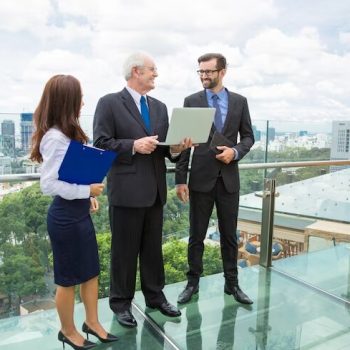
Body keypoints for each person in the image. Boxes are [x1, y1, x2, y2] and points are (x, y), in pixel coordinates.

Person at [93, 52, 192, 327]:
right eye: (152, 70)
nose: (155, 75)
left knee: (152, 250)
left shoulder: (160, 107)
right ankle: (121, 303)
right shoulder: (109, 103)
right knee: (123, 252)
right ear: (136, 71)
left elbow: (168, 151)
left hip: (156, 192)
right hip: (126, 192)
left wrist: (178, 147)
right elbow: (100, 143)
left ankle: (155, 297)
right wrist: (133, 146)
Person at [30, 75, 118, 350]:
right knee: (67, 280)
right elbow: (49, 184)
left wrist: (85, 194)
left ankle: (92, 323)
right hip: (65, 218)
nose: (82, 102)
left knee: (91, 273)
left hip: (77, 213)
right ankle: (67, 331)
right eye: (79, 97)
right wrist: (86, 191)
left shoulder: (65, 133)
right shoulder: (54, 138)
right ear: (66, 101)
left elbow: (70, 173)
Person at [176, 53, 254, 305]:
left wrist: (235, 152)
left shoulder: (240, 102)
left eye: (208, 72)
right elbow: (184, 142)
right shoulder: (191, 101)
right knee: (196, 235)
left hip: (229, 179)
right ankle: (192, 284)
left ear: (223, 72)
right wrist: (180, 179)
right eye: (200, 72)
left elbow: (248, 138)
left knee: (230, 236)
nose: (204, 76)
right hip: (200, 179)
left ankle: (232, 284)